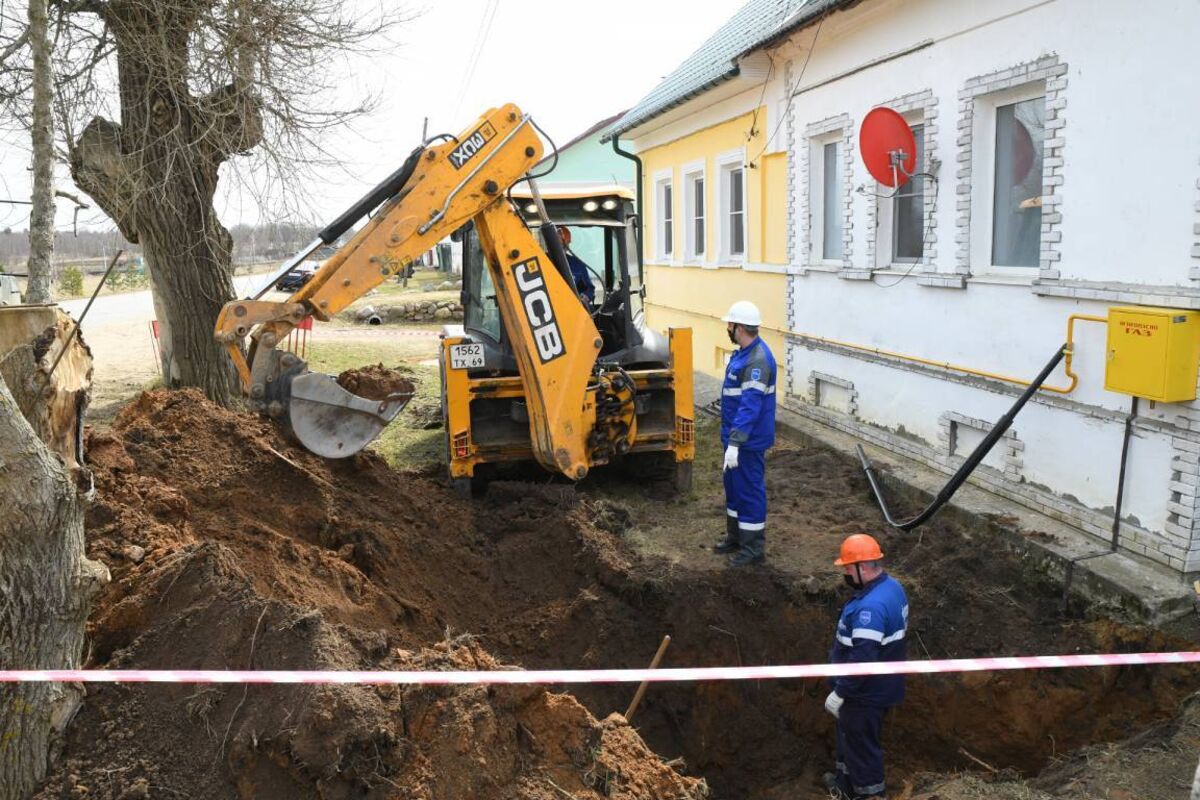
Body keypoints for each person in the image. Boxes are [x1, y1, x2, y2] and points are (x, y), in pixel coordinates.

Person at [823, 534, 909, 800]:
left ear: (863, 567)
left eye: (848, 568)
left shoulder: (870, 608)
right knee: (849, 737)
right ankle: (845, 785)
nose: (845, 573)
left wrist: (841, 692)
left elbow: (862, 660)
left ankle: (870, 795)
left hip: (863, 693)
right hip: (873, 688)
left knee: (861, 746)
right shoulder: (892, 587)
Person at [714, 300, 776, 566]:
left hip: (747, 444)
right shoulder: (743, 353)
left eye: (730, 324)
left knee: (749, 491)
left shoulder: (757, 361)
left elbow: (749, 407)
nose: (728, 328)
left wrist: (736, 444)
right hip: (735, 440)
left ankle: (753, 550)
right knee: (734, 489)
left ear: (739, 327)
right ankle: (736, 537)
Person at [556, 225, 596, 305]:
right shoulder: (540, 262)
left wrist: (584, 298)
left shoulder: (577, 265)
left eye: (565, 243)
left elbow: (589, 289)